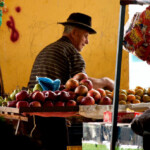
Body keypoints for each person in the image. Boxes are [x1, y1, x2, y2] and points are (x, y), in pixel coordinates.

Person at [27, 12, 114, 150]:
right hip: (54, 115)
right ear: (74, 33)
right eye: (86, 36)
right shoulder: (72, 53)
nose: (87, 41)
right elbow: (83, 85)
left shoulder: (48, 49)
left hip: (35, 116)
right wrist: (106, 82)